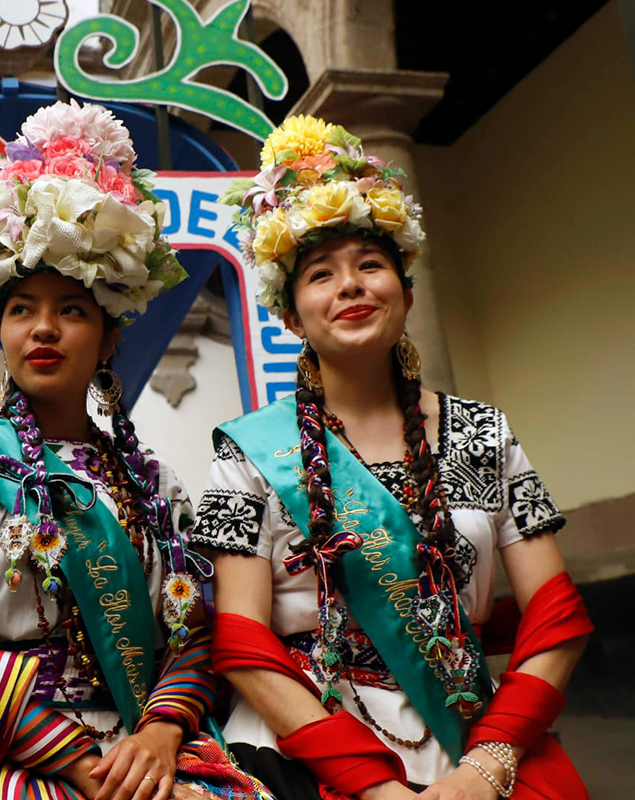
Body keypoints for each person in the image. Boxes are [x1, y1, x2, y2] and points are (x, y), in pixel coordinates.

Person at [198, 115, 593, 800]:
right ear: (291, 316)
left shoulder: (480, 434)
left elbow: (555, 616)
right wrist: (372, 787)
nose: (350, 286)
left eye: (370, 266)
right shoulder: (248, 454)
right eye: (321, 274)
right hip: (303, 745)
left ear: (406, 294)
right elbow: (240, 641)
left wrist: (489, 764)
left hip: (469, 732)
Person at [0, 100, 275, 800]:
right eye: (21, 310)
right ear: (1, 332)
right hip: (20, 754)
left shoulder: (152, 480)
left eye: (71, 310)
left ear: (108, 340)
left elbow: (192, 628)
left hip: (147, 752)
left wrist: (162, 732)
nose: (43, 329)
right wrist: (78, 763)